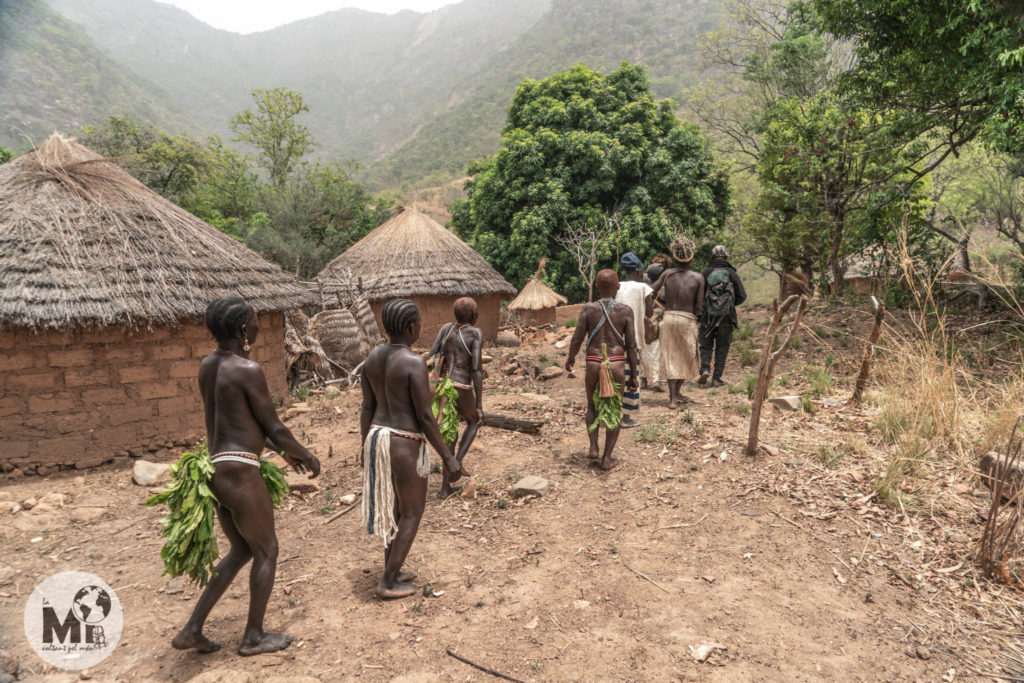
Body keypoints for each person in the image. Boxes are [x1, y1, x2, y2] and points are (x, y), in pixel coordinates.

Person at [172, 297, 321, 656]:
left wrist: (285, 453)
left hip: (216, 470)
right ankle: (253, 637)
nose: (258, 326)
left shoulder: (208, 366)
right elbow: (274, 427)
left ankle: (192, 629)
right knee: (268, 550)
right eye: (254, 321)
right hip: (241, 472)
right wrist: (307, 455)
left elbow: (242, 423)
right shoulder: (247, 370)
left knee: (241, 550)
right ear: (242, 330)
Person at [360, 299, 465, 599]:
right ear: (410, 327)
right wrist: (448, 457)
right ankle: (389, 581)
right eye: (418, 321)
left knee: (394, 509)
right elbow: (424, 416)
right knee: (412, 512)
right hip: (404, 441)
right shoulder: (413, 362)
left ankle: (391, 567)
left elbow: (367, 406)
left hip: (377, 437)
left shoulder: (372, 358)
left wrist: (362, 446)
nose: (421, 325)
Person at [565, 269, 638, 471]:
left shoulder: (588, 309)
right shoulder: (625, 311)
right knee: (614, 410)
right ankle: (607, 458)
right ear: (617, 287)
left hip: (593, 362)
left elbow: (577, 338)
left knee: (591, 406)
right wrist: (633, 375)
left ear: (597, 287)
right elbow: (631, 346)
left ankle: (593, 446)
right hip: (616, 363)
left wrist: (570, 358)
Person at [427, 297, 484, 498]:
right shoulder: (475, 333)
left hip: (442, 386)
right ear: (474, 315)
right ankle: (457, 463)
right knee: (474, 421)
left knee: (450, 431)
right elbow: (476, 369)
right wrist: (479, 404)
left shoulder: (445, 329)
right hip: (461, 386)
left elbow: (432, 354)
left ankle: (445, 488)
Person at [650, 236, 704, 409]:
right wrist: (691, 317)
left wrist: (663, 305)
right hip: (687, 319)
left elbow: (651, 292)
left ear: (675, 257)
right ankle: (676, 393)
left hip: (669, 318)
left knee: (670, 357)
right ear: (692, 257)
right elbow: (699, 305)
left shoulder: (667, 274)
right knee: (688, 356)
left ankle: (673, 397)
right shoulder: (698, 278)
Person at [699, 245, 747, 387]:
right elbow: (742, 296)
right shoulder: (731, 273)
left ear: (712, 257)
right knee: (722, 346)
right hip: (726, 318)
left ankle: (705, 368)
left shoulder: (705, 272)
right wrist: (729, 305)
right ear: (725, 257)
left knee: (705, 346)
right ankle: (716, 378)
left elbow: (698, 295)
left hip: (707, 317)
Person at [614, 252, 653, 427]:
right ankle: (626, 417)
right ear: (638, 271)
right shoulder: (643, 288)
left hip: (614, 340)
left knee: (615, 377)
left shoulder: (616, 286)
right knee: (631, 378)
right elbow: (650, 312)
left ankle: (612, 413)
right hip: (633, 340)